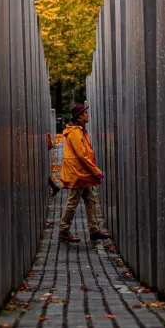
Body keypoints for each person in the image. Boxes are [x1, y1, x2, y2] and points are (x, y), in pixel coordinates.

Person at [58, 103, 111, 243]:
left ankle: (94, 230)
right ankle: (63, 230)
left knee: (90, 198)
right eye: (85, 113)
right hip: (78, 173)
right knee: (73, 200)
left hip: (82, 172)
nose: (87, 115)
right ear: (79, 116)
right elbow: (82, 155)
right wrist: (96, 171)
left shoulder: (79, 130)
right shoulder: (75, 132)